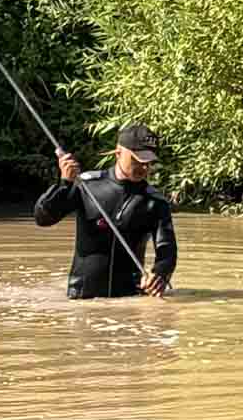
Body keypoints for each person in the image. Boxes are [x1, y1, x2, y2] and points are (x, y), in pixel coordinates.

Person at [32, 121, 177, 299]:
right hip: (82, 301)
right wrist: (65, 183)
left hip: (129, 301)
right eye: (137, 160)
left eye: (149, 162)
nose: (144, 167)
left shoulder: (155, 202)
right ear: (118, 152)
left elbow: (167, 251)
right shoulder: (87, 185)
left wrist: (159, 275)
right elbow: (43, 218)